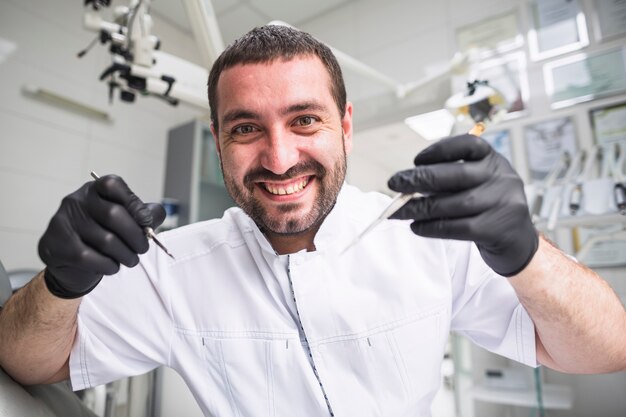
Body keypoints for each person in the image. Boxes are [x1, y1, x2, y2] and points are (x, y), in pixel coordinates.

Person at [0, 24, 624, 417]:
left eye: (305, 120)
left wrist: (528, 255)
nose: (278, 157)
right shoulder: (175, 270)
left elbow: (608, 350)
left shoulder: (430, 239)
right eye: (246, 128)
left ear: (344, 125)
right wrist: (59, 285)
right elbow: (30, 364)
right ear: (217, 140)